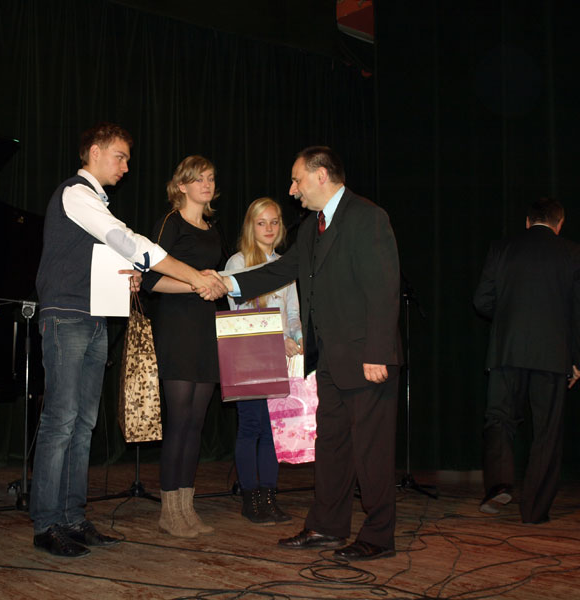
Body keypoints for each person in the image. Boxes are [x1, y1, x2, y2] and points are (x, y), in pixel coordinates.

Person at [31, 124, 225, 558]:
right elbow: (126, 240)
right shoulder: (75, 193)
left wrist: (128, 278)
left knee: (83, 424)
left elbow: (106, 254)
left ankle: (73, 518)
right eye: (119, 156)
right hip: (66, 317)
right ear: (94, 152)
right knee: (60, 422)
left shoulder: (95, 202)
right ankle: (46, 524)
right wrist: (195, 277)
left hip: (95, 318)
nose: (126, 166)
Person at [221, 146, 402, 561]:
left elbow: (383, 287)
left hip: (367, 360)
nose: (292, 189)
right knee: (332, 446)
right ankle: (327, 526)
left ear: (321, 175)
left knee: (372, 450)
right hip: (330, 362)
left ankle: (379, 536)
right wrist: (227, 283)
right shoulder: (310, 228)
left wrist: (378, 352)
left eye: (296, 179)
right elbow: (277, 271)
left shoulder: (367, 217)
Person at [473, 197, 580, 523]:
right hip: (553, 356)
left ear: (528, 221)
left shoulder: (502, 248)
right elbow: (577, 311)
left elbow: (481, 300)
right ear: (559, 224)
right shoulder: (572, 253)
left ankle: (499, 484)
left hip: (507, 350)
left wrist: (508, 320)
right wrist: (576, 358)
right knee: (547, 432)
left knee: (499, 419)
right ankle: (534, 510)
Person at [141, 155, 226, 538]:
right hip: (177, 328)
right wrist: (196, 285)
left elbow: (216, 279)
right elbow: (149, 281)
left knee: (196, 423)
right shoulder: (170, 223)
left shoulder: (213, 229)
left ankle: (187, 508)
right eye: (198, 179)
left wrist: (215, 285)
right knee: (178, 422)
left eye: (210, 178)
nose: (206, 184)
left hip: (207, 329)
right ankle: (169, 512)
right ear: (182, 186)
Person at [224, 197, 301, 525]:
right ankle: (250, 497)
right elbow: (238, 313)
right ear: (250, 226)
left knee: (273, 429)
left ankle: (269, 496)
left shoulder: (285, 264)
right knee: (252, 425)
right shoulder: (238, 262)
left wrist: (298, 338)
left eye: (274, 222)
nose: (269, 228)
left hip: (281, 358)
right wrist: (278, 339)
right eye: (261, 222)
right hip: (249, 357)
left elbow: (293, 313)